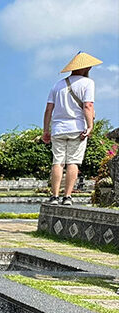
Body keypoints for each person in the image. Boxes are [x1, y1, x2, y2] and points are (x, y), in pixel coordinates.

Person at [42, 51, 99, 206]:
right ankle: (67, 197)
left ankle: (54, 197)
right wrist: (90, 126)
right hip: (77, 128)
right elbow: (88, 106)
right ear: (85, 68)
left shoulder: (58, 85)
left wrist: (45, 130)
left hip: (58, 129)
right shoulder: (88, 83)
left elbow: (48, 109)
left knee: (57, 162)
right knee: (73, 162)